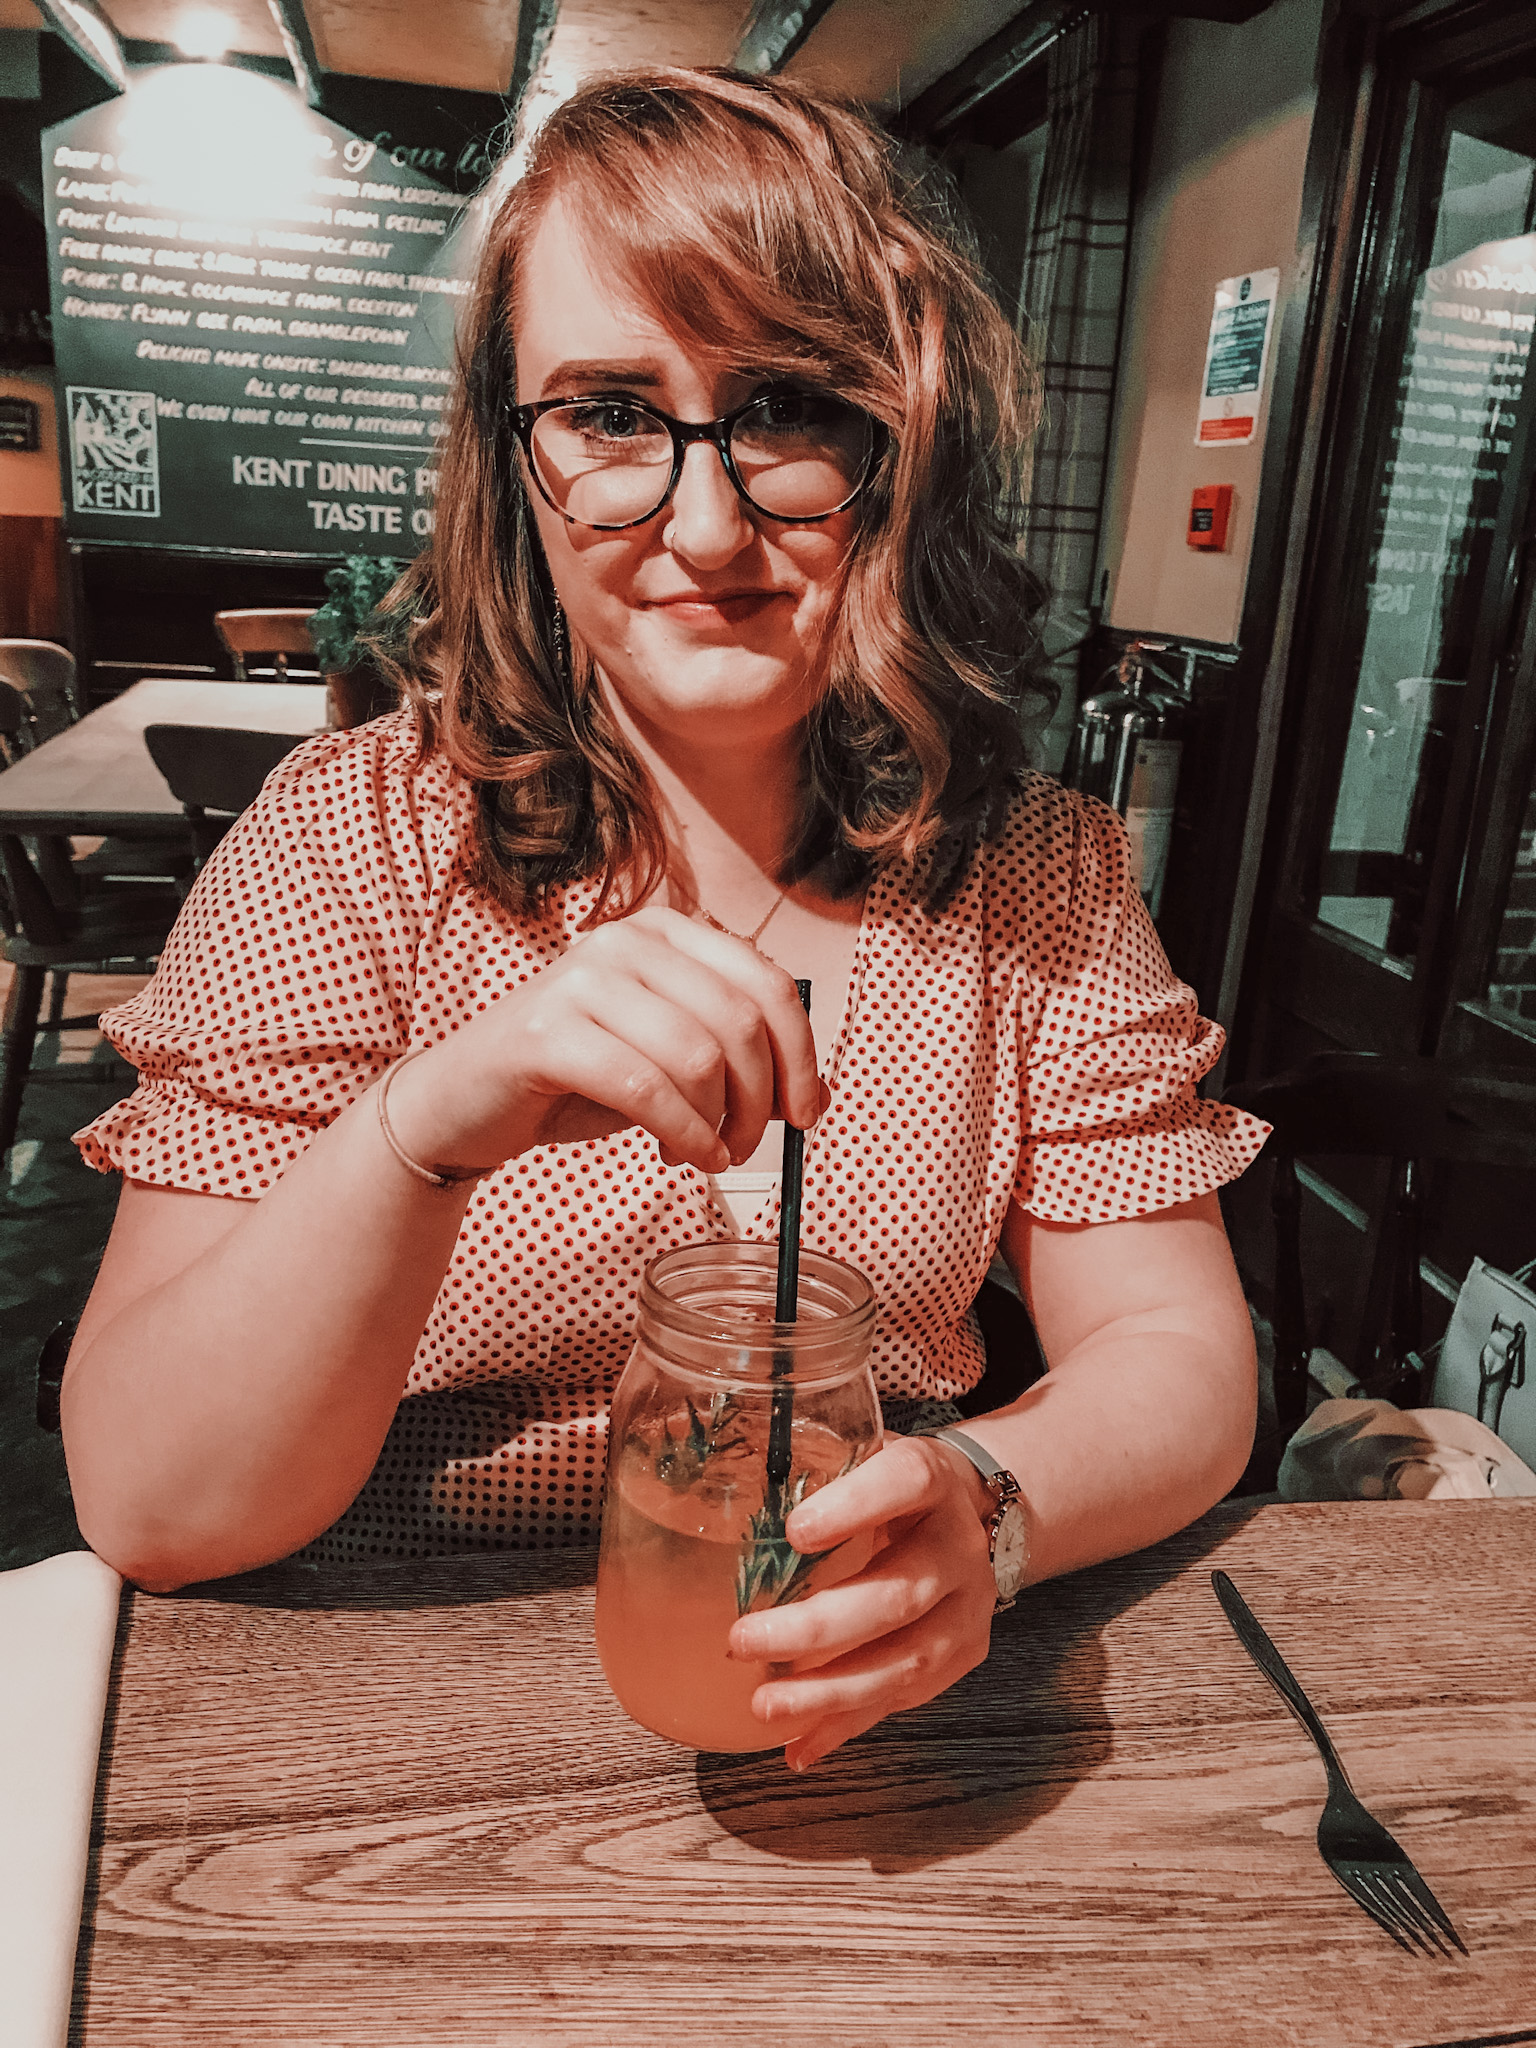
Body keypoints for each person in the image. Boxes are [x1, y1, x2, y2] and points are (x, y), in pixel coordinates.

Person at [61, 68, 1266, 1771]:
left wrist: (996, 1505)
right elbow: (151, 1501)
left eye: (785, 407)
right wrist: (423, 1130)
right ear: (517, 457)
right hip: (369, 1703)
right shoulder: (354, 834)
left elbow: (1177, 1353)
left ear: (902, 447)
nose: (704, 525)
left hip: (857, 1693)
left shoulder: (1037, 873)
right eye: (614, 414)